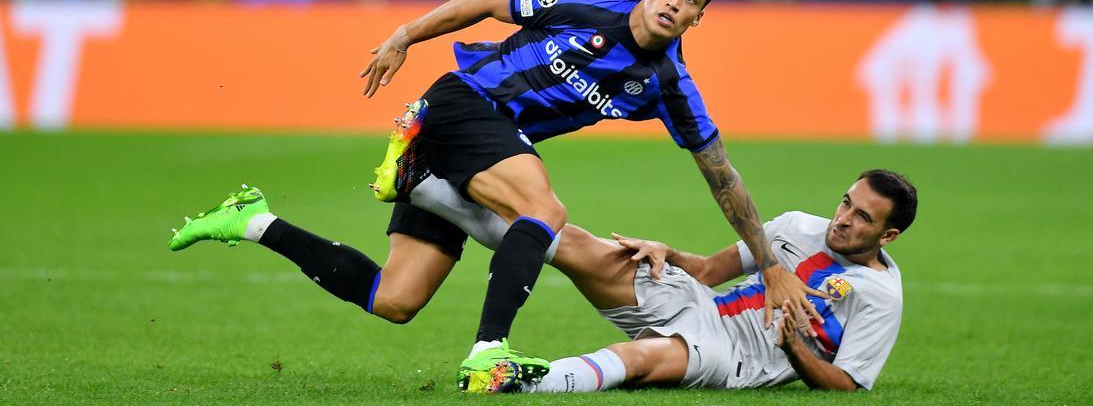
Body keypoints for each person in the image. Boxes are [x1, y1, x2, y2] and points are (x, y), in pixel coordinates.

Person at [170, 0, 821, 391]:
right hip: (465, 104)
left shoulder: (670, 86)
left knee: (394, 299)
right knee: (544, 212)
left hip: (477, 149)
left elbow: (721, 173)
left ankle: (254, 219)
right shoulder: (587, 2)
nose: (675, 2)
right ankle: (489, 352)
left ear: (700, 16)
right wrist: (405, 34)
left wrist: (767, 259)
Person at [172, 167, 915, 394]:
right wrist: (669, 251)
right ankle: (427, 180)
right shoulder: (795, 225)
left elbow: (845, 385)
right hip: (702, 303)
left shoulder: (881, 295)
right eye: (846, 202)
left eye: (861, 216)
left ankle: (523, 379)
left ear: (890, 234)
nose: (843, 218)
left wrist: (794, 348)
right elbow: (717, 269)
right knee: (578, 244)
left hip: (742, 356)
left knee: (648, 362)